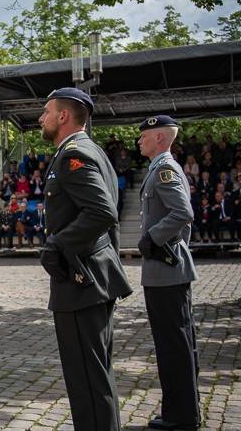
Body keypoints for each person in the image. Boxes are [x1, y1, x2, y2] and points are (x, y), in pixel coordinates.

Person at [37, 87, 133, 431]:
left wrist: (57, 244)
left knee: (87, 381)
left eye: (46, 112)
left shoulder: (74, 154)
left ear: (63, 116)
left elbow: (102, 212)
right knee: (96, 376)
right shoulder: (90, 150)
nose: (41, 119)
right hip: (91, 278)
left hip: (81, 282)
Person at [136, 115, 201, 430]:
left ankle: (181, 417)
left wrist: (152, 237)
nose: (139, 140)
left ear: (160, 137)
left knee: (173, 346)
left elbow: (183, 212)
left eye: (144, 135)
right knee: (178, 343)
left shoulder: (164, 169)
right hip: (167, 270)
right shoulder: (160, 168)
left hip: (166, 269)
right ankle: (183, 411)